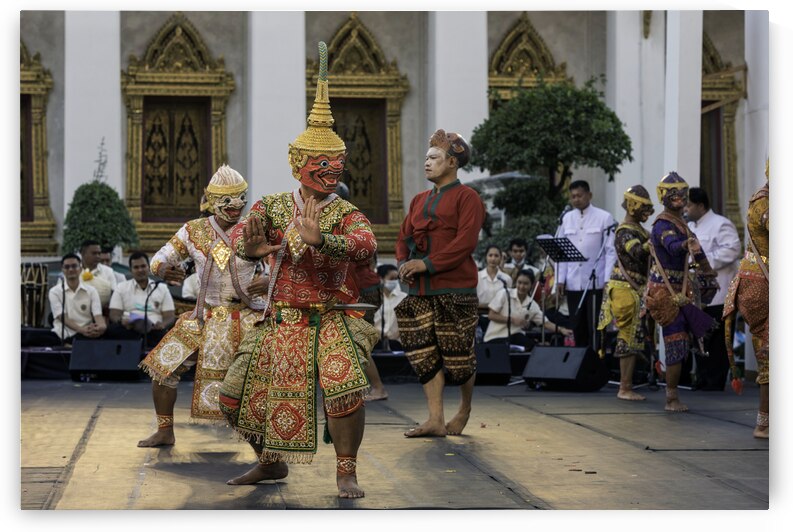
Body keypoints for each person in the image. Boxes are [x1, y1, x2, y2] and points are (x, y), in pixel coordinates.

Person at [218, 42, 378, 499]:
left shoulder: (345, 211)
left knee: (344, 391)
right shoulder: (271, 206)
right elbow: (242, 243)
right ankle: (269, 462)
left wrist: (321, 239)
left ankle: (345, 470)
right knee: (231, 398)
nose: (332, 171)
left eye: (338, 165)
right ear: (298, 165)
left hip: (328, 317)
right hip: (280, 319)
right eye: (322, 164)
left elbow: (367, 245)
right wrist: (250, 252)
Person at [137, 164, 266, 447]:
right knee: (161, 369)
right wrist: (161, 270)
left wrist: (268, 279)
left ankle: (264, 446)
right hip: (203, 316)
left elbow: (285, 261)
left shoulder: (255, 227)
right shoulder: (193, 230)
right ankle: (165, 429)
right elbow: (159, 258)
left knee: (258, 381)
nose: (237, 206)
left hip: (245, 315)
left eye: (241, 198)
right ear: (211, 201)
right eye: (228, 201)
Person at [394, 128, 485, 439]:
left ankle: (465, 409)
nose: (427, 163)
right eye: (426, 158)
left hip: (455, 288)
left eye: (434, 158)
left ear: (452, 163)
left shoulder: (468, 197)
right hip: (419, 289)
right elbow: (404, 236)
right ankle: (435, 418)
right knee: (423, 352)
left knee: (459, 354)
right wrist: (404, 262)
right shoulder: (419, 200)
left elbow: (465, 243)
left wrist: (426, 264)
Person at [644, 172, 717, 412]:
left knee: (683, 342)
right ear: (663, 197)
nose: (678, 198)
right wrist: (685, 245)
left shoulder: (682, 223)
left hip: (682, 291)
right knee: (676, 342)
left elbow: (697, 250)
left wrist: (708, 272)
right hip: (666, 293)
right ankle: (671, 398)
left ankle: (672, 394)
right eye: (673, 194)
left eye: (681, 194)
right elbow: (672, 246)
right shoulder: (663, 225)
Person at [723, 161, 769, 438]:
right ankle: (764, 423)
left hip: (760, 283)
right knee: (771, 353)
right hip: (761, 286)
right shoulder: (765, 203)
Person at [597, 185, 655, 401]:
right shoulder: (625, 231)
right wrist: (655, 241)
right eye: (645, 208)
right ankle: (624, 387)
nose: (648, 214)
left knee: (634, 336)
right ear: (633, 207)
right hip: (625, 289)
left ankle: (628, 384)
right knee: (628, 336)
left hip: (635, 289)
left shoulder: (639, 230)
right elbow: (638, 253)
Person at [685, 187, 742, 391]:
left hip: (720, 293)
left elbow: (732, 250)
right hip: (698, 294)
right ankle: (701, 378)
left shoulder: (721, 224)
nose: (685, 208)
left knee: (718, 342)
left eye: (689, 204)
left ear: (701, 205)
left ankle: (715, 381)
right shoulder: (690, 226)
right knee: (699, 337)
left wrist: (705, 263)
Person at [556, 180, 617, 349]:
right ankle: (580, 367)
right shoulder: (566, 219)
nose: (576, 200)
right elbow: (560, 251)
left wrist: (607, 279)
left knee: (596, 327)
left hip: (596, 282)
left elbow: (610, 251)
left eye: (580, 195)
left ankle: (596, 364)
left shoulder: (604, 217)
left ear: (589, 195)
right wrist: (560, 280)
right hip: (574, 282)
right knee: (577, 326)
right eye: (573, 196)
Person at [484, 269, 573, 349]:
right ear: (516, 282)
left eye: (526, 284)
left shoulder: (532, 304)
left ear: (531, 285)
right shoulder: (504, 293)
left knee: (535, 346)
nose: (522, 286)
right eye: (519, 282)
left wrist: (561, 330)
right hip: (494, 337)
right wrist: (512, 320)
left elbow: (545, 323)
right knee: (524, 341)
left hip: (515, 337)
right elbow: (491, 315)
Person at [106, 251, 175, 348]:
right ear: (130, 270)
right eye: (136, 267)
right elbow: (114, 314)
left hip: (154, 330)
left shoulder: (161, 287)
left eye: (143, 266)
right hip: (129, 329)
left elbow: (170, 316)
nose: (140, 270)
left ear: (149, 268)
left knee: (163, 335)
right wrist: (121, 321)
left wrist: (163, 324)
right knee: (112, 330)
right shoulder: (121, 287)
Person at [48, 253, 106, 344]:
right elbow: (62, 317)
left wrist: (101, 327)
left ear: (81, 268)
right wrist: (81, 330)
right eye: (67, 267)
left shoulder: (91, 291)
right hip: (64, 334)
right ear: (62, 270)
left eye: (74, 266)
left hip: (88, 332)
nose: (71, 269)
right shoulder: (55, 292)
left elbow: (97, 315)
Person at [477, 244, 513, 333]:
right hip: (480, 318)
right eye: (490, 255)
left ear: (501, 258)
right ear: (486, 257)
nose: (493, 259)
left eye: (496, 256)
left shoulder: (506, 279)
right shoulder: (477, 277)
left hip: (500, 319)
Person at [373, 264, 407, 352]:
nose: (395, 281)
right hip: (375, 344)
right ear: (381, 279)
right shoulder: (373, 298)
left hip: (398, 345)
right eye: (391, 279)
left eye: (397, 279)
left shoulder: (404, 298)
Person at [79, 240, 118, 308]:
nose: (97, 256)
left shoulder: (108, 271)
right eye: (94, 253)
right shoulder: (72, 271)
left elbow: (114, 294)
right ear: (83, 254)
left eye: (99, 253)